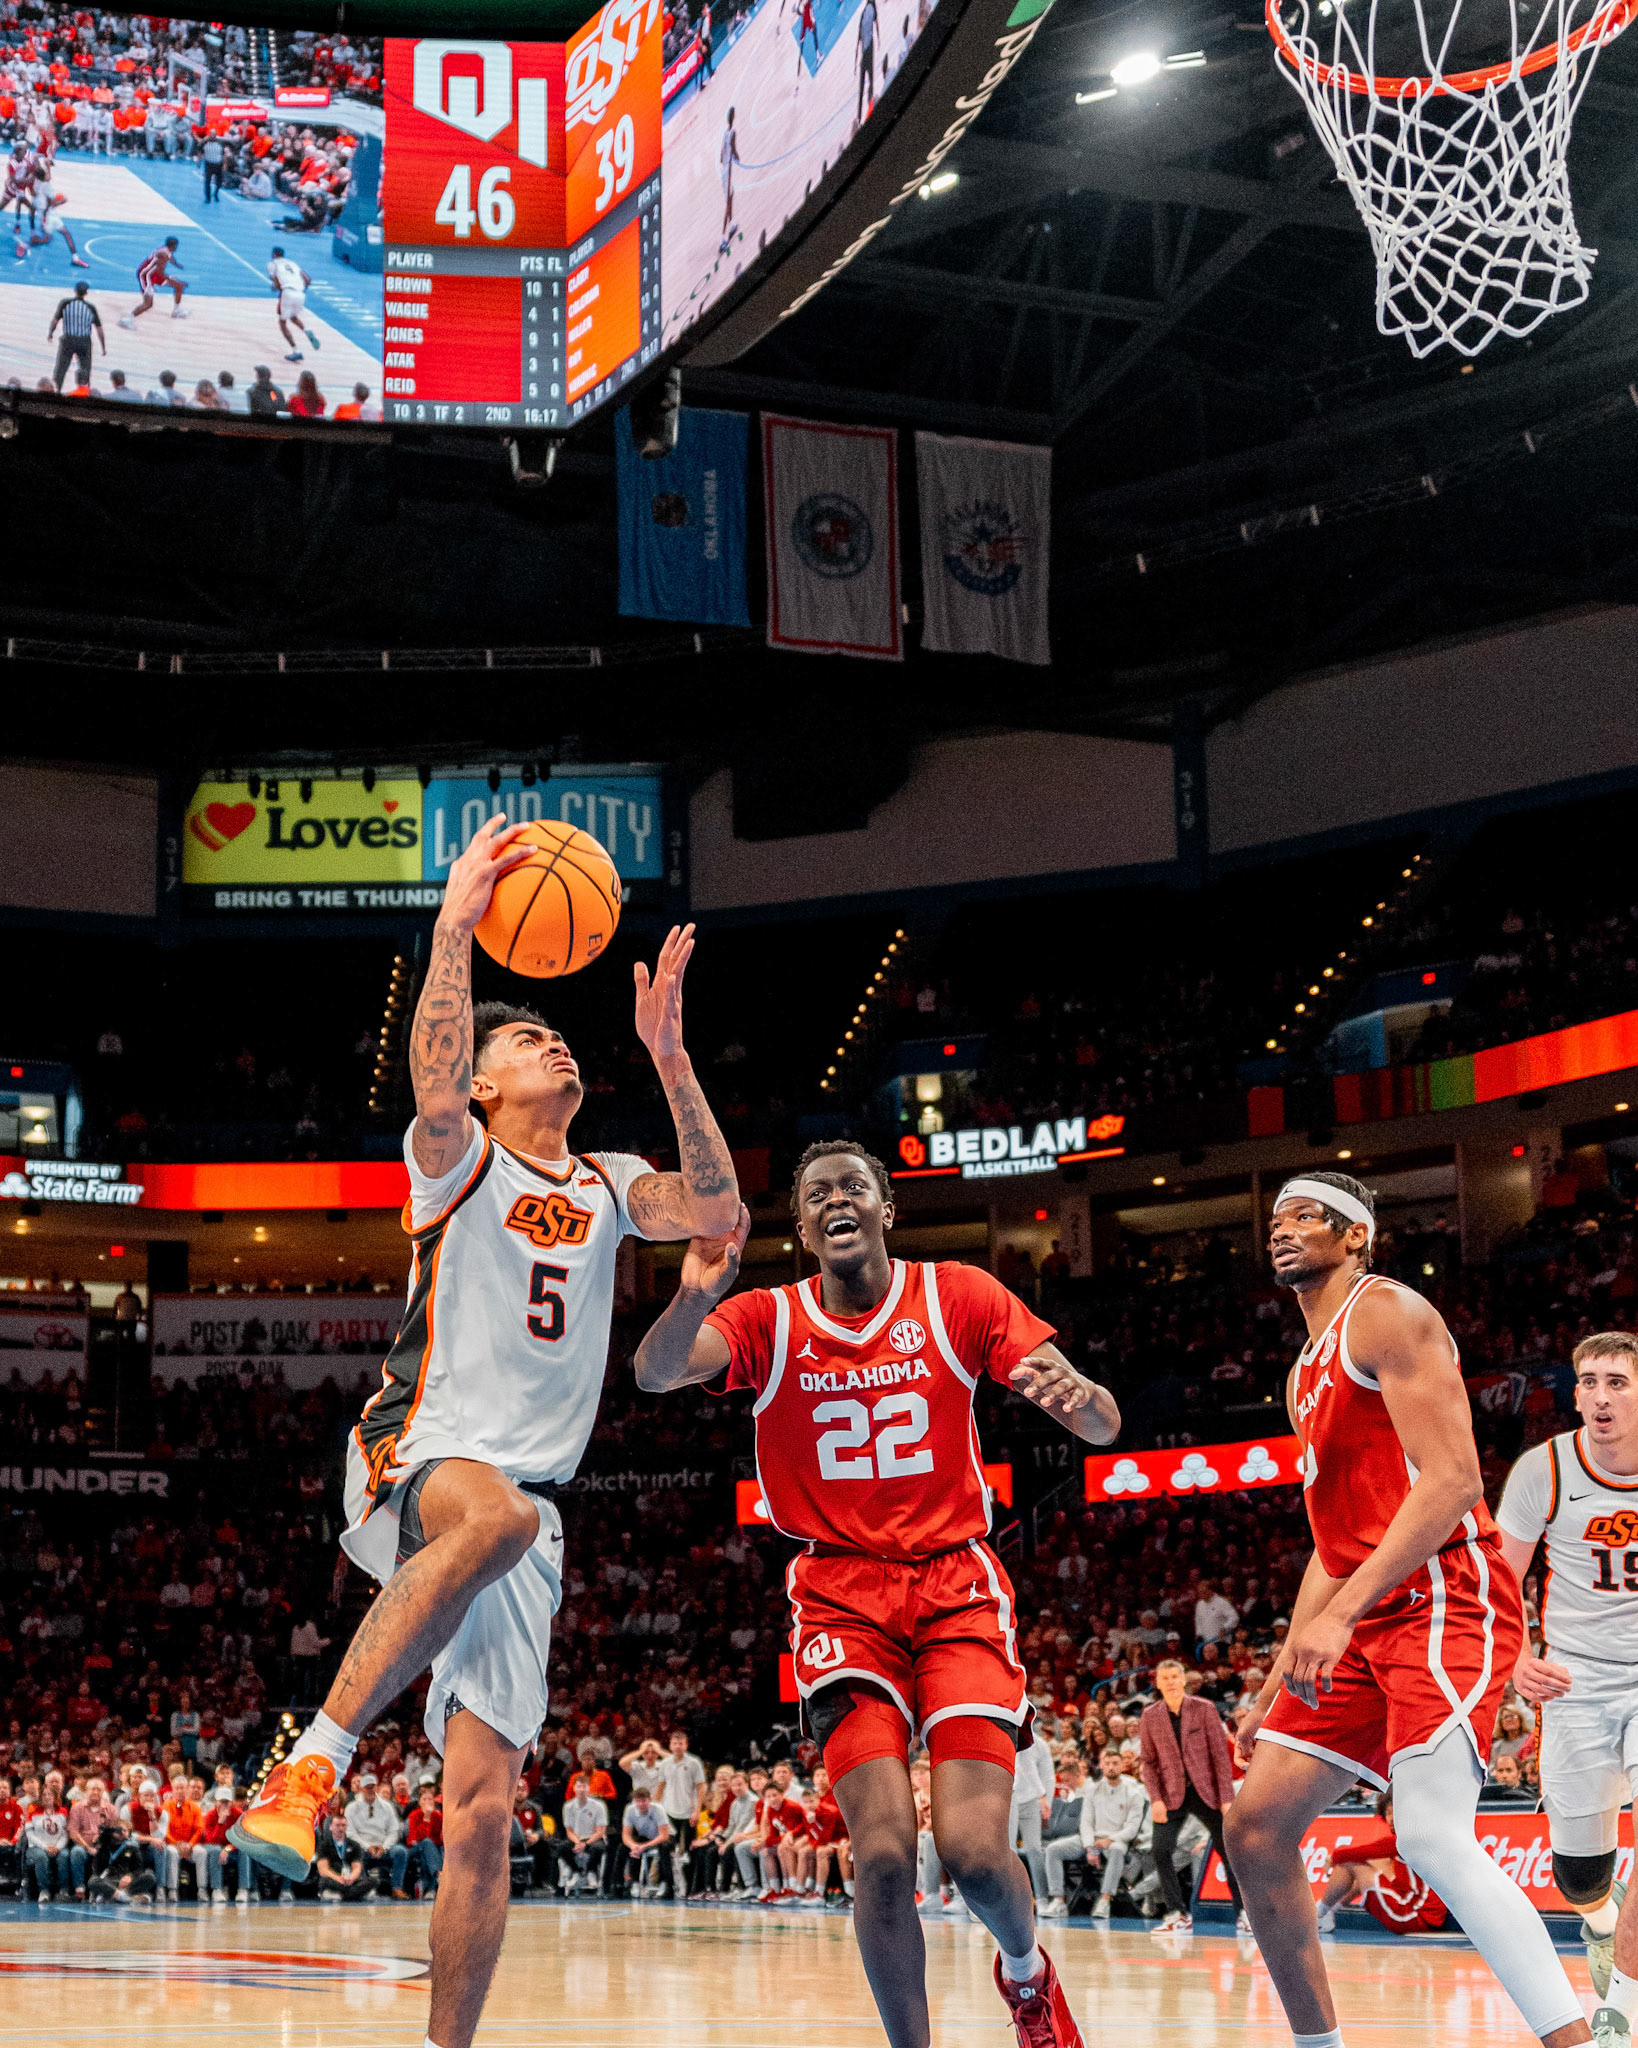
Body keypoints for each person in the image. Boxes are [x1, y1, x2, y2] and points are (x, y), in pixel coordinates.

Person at [231, 820, 736, 2048]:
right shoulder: (455, 1160)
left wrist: (671, 1055)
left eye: (556, 1033)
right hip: (414, 1452)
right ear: (485, 1085)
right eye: (523, 1040)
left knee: (482, 1814)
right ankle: (313, 1760)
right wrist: (454, 928)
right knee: (496, 1512)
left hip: (526, 1514)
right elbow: (433, 1075)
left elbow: (715, 1207)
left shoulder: (609, 1181)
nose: (551, 1041)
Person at [635, 1137, 1122, 2048]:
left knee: (974, 1854)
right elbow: (655, 1371)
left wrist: (1081, 1396)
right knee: (886, 1854)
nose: (836, 1201)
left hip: (955, 1586)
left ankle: (1027, 1975)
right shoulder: (767, 1319)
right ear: (802, 1227)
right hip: (839, 1595)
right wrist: (695, 1290)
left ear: (886, 1209)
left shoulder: (959, 1294)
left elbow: (1103, 1426)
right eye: (817, 1193)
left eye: (853, 1186)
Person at [1227, 1173, 1594, 2048]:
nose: (1283, 1229)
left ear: (1356, 1235)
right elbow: (1333, 1546)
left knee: (1429, 1833)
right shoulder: (1303, 1370)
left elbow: (1456, 1480)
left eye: (1306, 1216)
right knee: (1256, 1829)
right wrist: (1277, 1676)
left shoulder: (1386, 1311)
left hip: (1443, 1594)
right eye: (1275, 1218)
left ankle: (1576, 2042)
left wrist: (1342, 1614)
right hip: (1364, 1610)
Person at [1497, 1329, 1638, 2046]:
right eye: (1588, 1382)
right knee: (1579, 1878)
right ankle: (1604, 1919)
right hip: (1575, 1683)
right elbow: (1499, 1579)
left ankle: (1621, 2014)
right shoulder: (1543, 1468)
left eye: (1617, 1381)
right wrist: (1516, 1657)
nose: (1600, 1395)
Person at [1140, 1659, 1245, 1934]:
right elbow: (1148, 1762)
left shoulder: (1204, 1708)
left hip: (1207, 1791)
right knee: (1160, 1850)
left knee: (1228, 1850)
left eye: (1175, 1676)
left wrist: (1226, 1798)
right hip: (1170, 1794)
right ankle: (1178, 1914)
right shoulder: (1150, 1715)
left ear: (1184, 1679)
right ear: (1158, 1683)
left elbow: (1220, 1756)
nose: (1171, 1682)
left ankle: (1245, 1913)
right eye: (1165, 1678)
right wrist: (1156, 1799)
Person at [1315, 1790, 1448, 1935]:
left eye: (1395, 1812)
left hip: (1416, 1915)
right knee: (1368, 1866)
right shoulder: (1415, 1838)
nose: (1391, 1818)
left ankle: (1319, 1913)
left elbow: (1354, 1853)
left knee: (1354, 1864)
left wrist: (1332, 1858)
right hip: (1420, 1913)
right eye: (1388, 1812)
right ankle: (1326, 1912)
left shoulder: (1408, 1839)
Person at [1042, 1743, 1147, 1920]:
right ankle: (1058, 1901)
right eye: (1108, 1763)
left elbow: (1132, 1829)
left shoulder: (1133, 1793)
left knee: (1116, 1850)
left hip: (1115, 1840)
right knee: (1053, 1849)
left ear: (1122, 1765)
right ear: (1101, 1766)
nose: (1111, 1767)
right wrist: (1090, 1846)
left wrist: (1108, 1840)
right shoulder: (1092, 1790)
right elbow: (1086, 1822)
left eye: (1115, 1763)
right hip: (1090, 1839)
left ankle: (1104, 1900)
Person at [655, 1728, 705, 1898]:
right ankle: (667, 1885)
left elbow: (701, 1787)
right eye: (675, 1743)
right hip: (668, 1812)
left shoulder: (694, 1763)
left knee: (689, 1850)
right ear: (670, 1745)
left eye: (681, 1743)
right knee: (664, 1847)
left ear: (686, 1745)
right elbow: (660, 1786)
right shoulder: (665, 1763)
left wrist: (697, 1810)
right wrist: (656, 1809)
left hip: (688, 1812)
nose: (678, 1746)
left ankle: (692, 1888)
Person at [346, 1772, 408, 1896]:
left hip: (383, 1847)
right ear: (361, 1788)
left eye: (372, 1786)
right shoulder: (351, 1808)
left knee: (400, 1851)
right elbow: (350, 1833)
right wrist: (367, 1846)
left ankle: (397, 1888)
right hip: (363, 1847)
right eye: (367, 1787)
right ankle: (364, 1888)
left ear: (376, 1787)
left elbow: (393, 1830)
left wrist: (384, 1847)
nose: (370, 1790)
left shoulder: (387, 1806)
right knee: (355, 1851)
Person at [555, 1771, 608, 1893]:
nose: (581, 1790)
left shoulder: (599, 1806)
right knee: (562, 1848)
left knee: (598, 1848)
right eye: (579, 1786)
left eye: (584, 1786)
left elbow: (600, 1831)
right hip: (576, 1839)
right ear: (574, 1788)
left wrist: (586, 1844)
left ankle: (591, 1872)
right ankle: (576, 1871)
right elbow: (569, 1831)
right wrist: (578, 1842)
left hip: (593, 1839)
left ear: (589, 1788)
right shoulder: (568, 1806)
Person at [118, 236, 186, 328]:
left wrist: (177, 264)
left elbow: (170, 258)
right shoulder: (164, 255)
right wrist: (171, 279)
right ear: (174, 246)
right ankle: (126, 320)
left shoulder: (165, 250)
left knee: (179, 286)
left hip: (154, 274)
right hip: (146, 276)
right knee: (148, 304)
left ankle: (176, 311)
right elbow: (161, 273)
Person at [47, 280, 102, 392]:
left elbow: (55, 321)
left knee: (61, 369)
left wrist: (51, 333)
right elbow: (99, 329)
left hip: (68, 340)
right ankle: (86, 393)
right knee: (85, 370)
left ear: (75, 291)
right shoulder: (90, 307)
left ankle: (56, 392)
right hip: (84, 342)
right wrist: (103, 346)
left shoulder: (65, 303)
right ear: (86, 293)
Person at [268, 245, 320, 361]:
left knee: (282, 322)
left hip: (288, 292)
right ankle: (306, 330)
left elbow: (277, 285)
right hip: (301, 293)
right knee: (293, 317)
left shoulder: (272, 264)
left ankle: (296, 351)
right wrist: (301, 290)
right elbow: (308, 280)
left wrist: (274, 287)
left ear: (274, 255)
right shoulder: (293, 263)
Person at [622, 1785, 669, 1897]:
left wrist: (644, 1846)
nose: (641, 1804)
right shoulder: (630, 1810)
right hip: (645, 1837)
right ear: (634, 1801)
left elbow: (664, 1836)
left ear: (649, 1800)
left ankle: (665, 1883)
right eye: (638, 1801)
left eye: (644, 1801)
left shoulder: (658, 1810)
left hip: (661, 1838)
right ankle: (633, 1882)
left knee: (665, 1847)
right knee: (625, 1848)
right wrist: (633, 1846)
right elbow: (626, 1834)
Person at [316, 1811, 370, 1902]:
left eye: (343, 1825)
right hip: (333, 1878)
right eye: (337, 1825)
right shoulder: (323, 1845)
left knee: (373, 1881)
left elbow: (357, 1867)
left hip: (350, 1880)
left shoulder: (355, 1845)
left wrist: (351, 1878)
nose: (340, 1829)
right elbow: (323, 1870)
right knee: (324, 1881)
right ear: (331, 1827)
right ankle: (354, 1894)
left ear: (346, 1827)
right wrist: (338, 1878)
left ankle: (342, 1894)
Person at [407, 1782, 444, 1896]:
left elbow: (440, 1838)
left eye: (430, 1799)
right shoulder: (414, 1815)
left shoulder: (438, 1816)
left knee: (427, 1853)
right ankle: (439, 1874)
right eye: (424, 1799)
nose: (427, 1802)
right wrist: (426, 1818)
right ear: (419, 1802)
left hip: (431, 1849)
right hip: (414, 1848)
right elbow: (414, 1838)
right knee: (427, 1843)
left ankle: (430, 1890)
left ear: (434, 1802)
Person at [718, 106, 739, 257]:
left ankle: (731, 226)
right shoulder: (732, 133)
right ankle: (722, 239)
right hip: (727, 172)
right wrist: (737, 157)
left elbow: (721, 156)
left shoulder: (725, 133)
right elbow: (733, 148)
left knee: (731, 196)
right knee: (728, 204)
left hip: (723, 171)